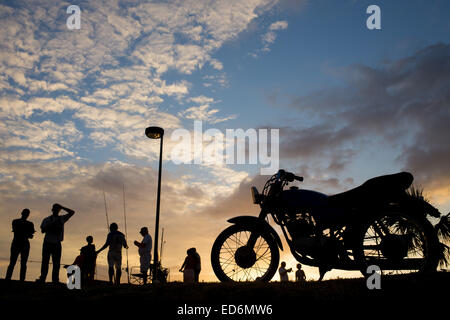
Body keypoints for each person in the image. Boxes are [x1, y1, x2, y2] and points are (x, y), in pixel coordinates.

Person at [37, 203, 75, 283]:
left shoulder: (62, 218)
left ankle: (55, 279)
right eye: (55, 208)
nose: (56, 210)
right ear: (52, 209)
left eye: (57, 209)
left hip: (57, 243)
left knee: (56, 263)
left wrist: (62, 206)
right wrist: (51, 225)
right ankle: (43, 278)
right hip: (47, 242)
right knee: (45, 261)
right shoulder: (47, 219)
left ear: (59, 210)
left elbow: (72, 212)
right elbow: (42, 230)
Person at [5, 209, 35, 281]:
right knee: (15, 262)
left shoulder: (17, 222)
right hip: (19, 243)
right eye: (26, 213)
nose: (26, 214)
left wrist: (24, 232)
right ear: (22, 213)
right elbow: (30, 235)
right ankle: (12, 278)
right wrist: (26, 233)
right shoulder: (18, 222)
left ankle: (16, 279)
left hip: (20, 243)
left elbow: (30, 235)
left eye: (27, 213)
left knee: (19, 262)